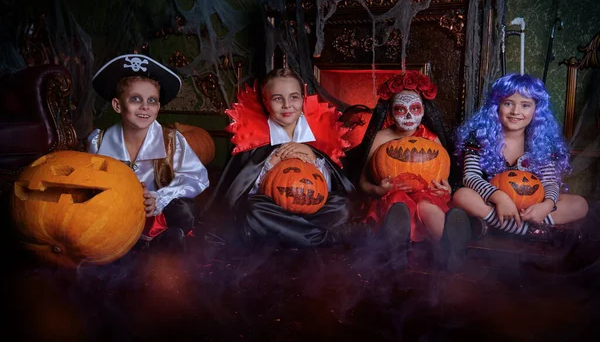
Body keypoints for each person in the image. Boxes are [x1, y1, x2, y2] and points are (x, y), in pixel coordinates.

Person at [207, 68, 373, 248]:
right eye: (278, 98)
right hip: (273, 208)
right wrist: (272, 161)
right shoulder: (252, 140)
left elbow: (330, 186)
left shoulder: (320, 135)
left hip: (311, 207)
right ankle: (325, 237)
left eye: (294, 97)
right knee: (253, 209)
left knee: (342, 206)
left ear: (303, 98)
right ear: (265, 101)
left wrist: (313, 155)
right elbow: (241, 189)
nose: (287, 105)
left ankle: (292, 233)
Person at [86, 53, 210, 253]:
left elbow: (197, 177)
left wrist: (159, 197)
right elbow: (88, 183)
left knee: (185, 209)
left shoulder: (171, 140)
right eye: (135, 99)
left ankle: (162, 240)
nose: (145, 106)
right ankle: (129, 245)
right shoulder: (98, 142)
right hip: (116, 212)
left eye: (152, 100)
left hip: (157, 213)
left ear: (158, 107)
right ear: (118, 105)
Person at [453, 73, 588, 244]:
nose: (516, 112)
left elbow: (549, 182)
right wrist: (500, 197)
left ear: (536, 110)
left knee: (580, 204)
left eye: (525, 105)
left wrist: (546, 206)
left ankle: (501, 226)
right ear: (496, 106)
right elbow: (470, 176)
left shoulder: (541, 141)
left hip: (531, 205)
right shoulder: (480, 136)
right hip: (494, 202)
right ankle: (531, 231)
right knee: (462, 195)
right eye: (508, 103)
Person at [354, 71, 470, 268]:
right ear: (390, 112)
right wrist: (378, 190)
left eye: (415, 108)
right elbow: (363, 182)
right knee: (399, 204)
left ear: (424, 110)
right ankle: (397, 251)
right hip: (391, 198)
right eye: (400, 110)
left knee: (428, 205)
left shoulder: (431, 138)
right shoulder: (381, 138)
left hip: (426, 195)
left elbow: (444, 175)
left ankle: (450, 250)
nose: (408, 116)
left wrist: (447, 189)